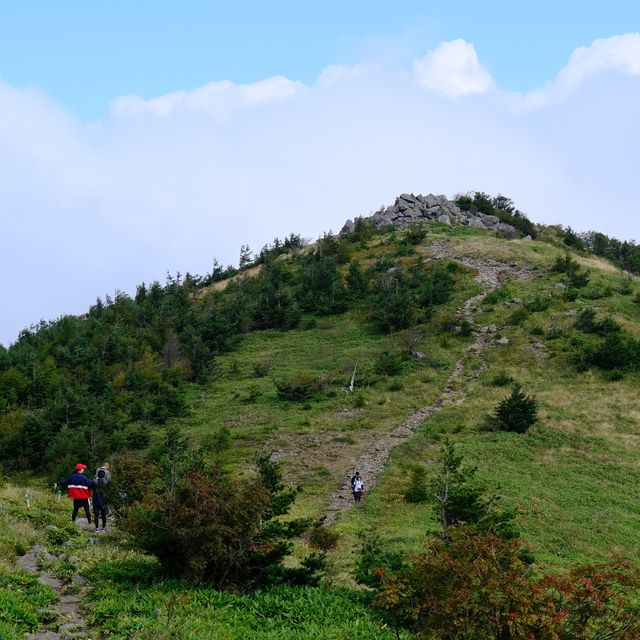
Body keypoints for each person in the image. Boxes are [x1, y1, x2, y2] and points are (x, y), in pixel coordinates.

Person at [92, 466, 110, 532]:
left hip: (96, 501)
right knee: (103, 515)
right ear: (104, 475)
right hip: (104, 501)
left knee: (96, 515)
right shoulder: (106, 482)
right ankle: (104, 528)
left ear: (97, 475)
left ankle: (96, 528)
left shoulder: (94, 482)